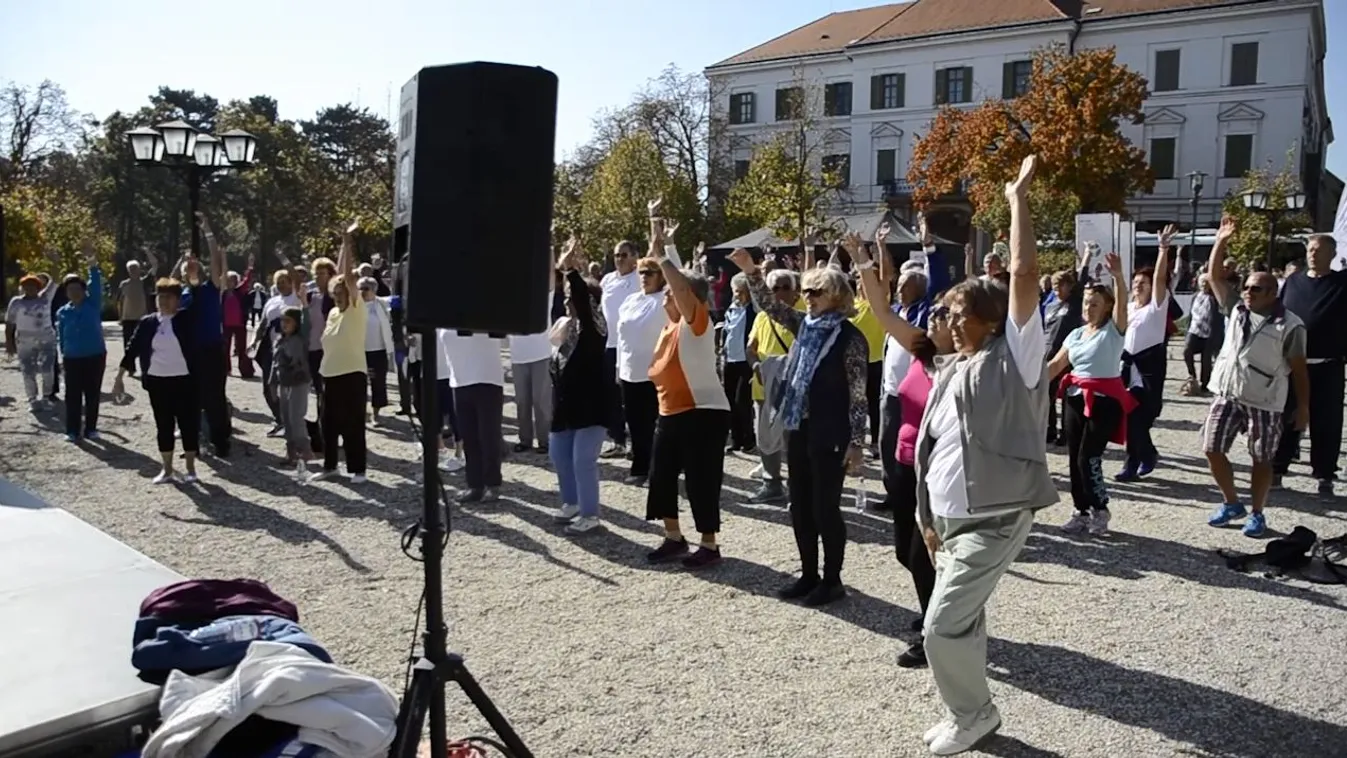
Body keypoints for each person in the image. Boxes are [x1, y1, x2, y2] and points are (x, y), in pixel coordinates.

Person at [915, 156, 1057, 755]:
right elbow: (934, 448)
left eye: (953, 311)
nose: (944, 317)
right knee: (963, 622)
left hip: (994, 519)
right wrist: (928, 519)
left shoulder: (1015, 357)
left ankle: (975, 714)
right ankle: (970, 712)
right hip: (952, 522)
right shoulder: (956, 368)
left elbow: (1023, 273)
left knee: (940, 629)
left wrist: (1016, 197)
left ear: (987, 318)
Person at [735, 236, 869, 605]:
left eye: (816, 292)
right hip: (799, 426)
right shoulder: (805, 326)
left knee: (826, 508)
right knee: (800, 505)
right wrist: (750, 271)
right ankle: (808, 573)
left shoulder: (850, 338)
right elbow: (770, 307)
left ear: (837, 296)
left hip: (831, 433)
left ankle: (833, 580)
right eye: (806, 290)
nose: (807, 297)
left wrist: (857, 443)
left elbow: (858, 396)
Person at [852, 230, 942, 644]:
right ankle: (934, 614)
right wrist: (864, 261)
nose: (941, 319)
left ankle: (937, 629)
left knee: (926, 552)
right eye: (938, 315)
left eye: (948, 316)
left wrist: (928, 249)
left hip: (934, 469)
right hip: (905, 462)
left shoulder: (955, 361)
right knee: (904, 551)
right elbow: (882, 309)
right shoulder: (921, 347)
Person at [1204, 216, 1310, 536]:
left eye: (1257, 288)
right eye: (1247, 286)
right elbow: (1213, 276)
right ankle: (1231, 502)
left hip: (1265, 400)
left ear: (1273, 294)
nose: (1248, 292)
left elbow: (1300, 371)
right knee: (1211, 447)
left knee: (1261, 458)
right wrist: (1221, 240)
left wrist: (1303, 407)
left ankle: (1257, 512)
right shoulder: (1236, 309)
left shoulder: (1289, 325)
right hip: (1228, 391)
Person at [643, 214, 731, 569]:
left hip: (704, 412)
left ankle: (709, 545)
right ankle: (674, 538)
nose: (666, 293)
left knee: (700, 480)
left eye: (672, 291)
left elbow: (681, 285)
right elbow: (679, 280)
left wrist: (665, 255)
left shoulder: (697, 322)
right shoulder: (670, 327)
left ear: (691, 300)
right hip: (670, 411)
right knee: (660, 477)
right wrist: (661, 241)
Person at [1047, 253, 1136, 536]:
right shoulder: (1075, 334)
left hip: (1104, 399)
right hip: (1075, 396)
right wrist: (1025, 383)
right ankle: (1080, 510)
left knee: (1089, 456)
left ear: (1107, 307)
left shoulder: (1114, 330)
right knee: (1073, 457)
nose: (1089, 307)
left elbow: (1123, 306)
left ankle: (1100, 508)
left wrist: (1119, 277)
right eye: (1086, 302)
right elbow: (1055, 366)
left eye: (1095, 303)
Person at [876, 219, 949, 514]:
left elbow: (940, 283)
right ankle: (893, 493)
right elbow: (882, 283)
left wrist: (928, 246)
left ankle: (918, 494)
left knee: (915, 445)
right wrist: (879, 248)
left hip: (916, 394)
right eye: (900, 284)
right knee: (885, 443)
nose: (900, 289)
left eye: (906, 285)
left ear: (919, 289)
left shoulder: (924, 310)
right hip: (889, 391)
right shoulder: (894, 310)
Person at [1274, 232, 1347, 498]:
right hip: (1293, 363)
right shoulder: (1293, 282)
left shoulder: (1342, 283)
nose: (1313, 254)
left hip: (1329, 365)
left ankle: (1325, 473)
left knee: (1326, 420)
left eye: (1319, 250)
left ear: (1332, 254)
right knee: (1287, 416)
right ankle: (1278, 468)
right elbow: (1278, 316)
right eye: (1310, 249)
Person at [549, 236, 613, 534]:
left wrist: (570, 270)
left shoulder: (595, 325)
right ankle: (571, 504)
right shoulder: (567, 327)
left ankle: (590, 514)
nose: (566, 300)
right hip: (566, 406)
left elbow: (585, 305)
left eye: (571, 296)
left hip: (591, 405)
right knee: (559, 456)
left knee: (582, 460)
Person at [113, 278, 201, 484]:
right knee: (164, 425)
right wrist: (119, 378)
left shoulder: (187, 318)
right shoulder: (147, 322)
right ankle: (167, 469)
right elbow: (131, 349)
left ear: (178, 300)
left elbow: (200, 298)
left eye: (168, 297)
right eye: (160, 297)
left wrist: (194, 279)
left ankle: (190, 469)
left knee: (188, 424)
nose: (163, 301)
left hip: (184, 380)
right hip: (157, 381)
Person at [309, 222, 370, 484]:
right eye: (334, 292)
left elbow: (344, 274)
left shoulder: (356, 308)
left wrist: (346, 242)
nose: (337, 295)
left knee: (353, 423)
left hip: (353, 373)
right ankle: (331, 466)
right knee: (328, 423)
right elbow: (337, 278)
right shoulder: (333, 313)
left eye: (341, 291)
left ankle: (358, 470)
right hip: (330, 374)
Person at [1116, 224, 1174, 481]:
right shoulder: (1129, 308)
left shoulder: (1156, 309)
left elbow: (1161, 279)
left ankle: (1146, 455)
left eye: (1144, 282)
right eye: (1136, 282)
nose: (1138, 285)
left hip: (1148, 370)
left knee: (1141, 418)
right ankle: (1134, 462)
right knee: (1128, 418)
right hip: (1126, 370)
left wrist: (1163, 248)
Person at [744, 269, 800, 504]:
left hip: (793, 389)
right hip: (763, 386)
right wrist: (756, 365)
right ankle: (772, 483)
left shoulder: (802, 316)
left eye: (785, 287)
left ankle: (798, 488)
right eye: (774, 288)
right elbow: (751, 348)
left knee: (793, 440)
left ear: (795, 291)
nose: (779, 293)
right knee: (765, 437)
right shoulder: (761, 317)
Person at [614, 252, 668, 486]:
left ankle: (658, 470)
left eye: (650, 272)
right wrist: (618, 367)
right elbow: (621, 337)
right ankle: (639, 467)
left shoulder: (665, 300)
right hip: (629, 372)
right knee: (635, 424)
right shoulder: (630, 300)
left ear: (661, 276)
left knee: (655, 424)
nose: (644, 277)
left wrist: (666, 245)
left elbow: (681, 280)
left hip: (654, 372)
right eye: (642, 272)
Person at [182, 214, 233, 457]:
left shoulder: (211, 289)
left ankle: (221, 442)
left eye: (193, 267)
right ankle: (195, 443)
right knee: (191, 399)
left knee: (215, 399)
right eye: (186, 269)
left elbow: (215, 262)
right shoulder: (181, 295)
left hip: (212, 350)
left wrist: (208, 232)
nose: (190, 271)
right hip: (189, 353)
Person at [441, 328, 506, 503]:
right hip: (459, 381)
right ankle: (475, 485)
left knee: (488, 436)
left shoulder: (484, 307)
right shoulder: (443, 317)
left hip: (487, 380)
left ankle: (493, 484)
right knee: (468, 437)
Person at [55, 242, 108, 442]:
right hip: (72, 358)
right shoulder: (62, 312)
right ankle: (72, 430)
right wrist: (62, 356)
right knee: (72, 396)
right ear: (66, 292)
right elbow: (61, 336)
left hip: (95, 356)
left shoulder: (92, 303)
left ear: (84, 291)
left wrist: (91, 261)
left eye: (78, 288)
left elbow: (95, 281)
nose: (74, 292)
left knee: (92, 394)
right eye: (70, 289)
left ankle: (91, 428)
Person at [598, 239, 642, 458]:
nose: (620, 259)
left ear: (635, 257)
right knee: (611, 396)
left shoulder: (640, 278)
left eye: (624, 255)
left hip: (632, 345)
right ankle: (618, 440)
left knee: (631, 397)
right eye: (617, 255)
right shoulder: (607, 280)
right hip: (610, 345)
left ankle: (637, 443)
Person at [508, 284, 555, 454]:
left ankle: (545, 440)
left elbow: (550, 275)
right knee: (522, 401)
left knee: (541, 400)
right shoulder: (508, 299)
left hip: (540, 354)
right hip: (518, 356)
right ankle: (525, 439)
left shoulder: (542, 295)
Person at [274, 289, 315, 475]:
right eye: (282, 321)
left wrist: (304, 303)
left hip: (298, 382)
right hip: (284, 383)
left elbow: (307, 322)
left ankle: (305, 451)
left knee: (296, 417)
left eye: (288, 321)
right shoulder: (280, 341)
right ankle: (291, 453)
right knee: (285, 419)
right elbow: (275, 365)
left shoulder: (301, 338)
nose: (284, 324)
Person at [6, 272, 59, 409]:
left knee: (47, 369)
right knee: (28, 371)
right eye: (26, 286)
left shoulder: (45, 298)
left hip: (46, 339)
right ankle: (32, 399)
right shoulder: (16, 302)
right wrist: (9, 343)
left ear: (38, 287)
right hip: (24, 341)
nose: (29, 289)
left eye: (33, 286)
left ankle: (47, 396)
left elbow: (56, 280)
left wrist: (55, 262)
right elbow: (10, 323)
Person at [721, 273, 758, 453]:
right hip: (730, 360)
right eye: (736, 292)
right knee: (729, 401)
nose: (739, 295)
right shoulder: (731, 309)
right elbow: (727, 331)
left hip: (746, 361)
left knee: (741, 401)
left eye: (742, 292)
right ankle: (736, 439)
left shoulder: (753, 310)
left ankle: (748, 439)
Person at [358, 277, 395, 423]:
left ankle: (376, 413)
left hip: (378, 350)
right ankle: (360, 412)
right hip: (358, 351)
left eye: (365, 288)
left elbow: (398, 301)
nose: (362, 292)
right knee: (359, 384)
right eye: (359, 288)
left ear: (373, 290)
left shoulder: (381, 304)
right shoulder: (354, 305)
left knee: (378, 383)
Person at [1182, 273, 1224, 396]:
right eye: (1202, 282)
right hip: (1194, 330)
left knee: (1206, 359)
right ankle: (1192, 375)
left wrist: (1217, 335)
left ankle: (1205, 384)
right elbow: (1191, 314)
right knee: (1187, 351)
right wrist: (1187, 330)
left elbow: (1218, 317)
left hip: (1209, 332)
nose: (1204, 285)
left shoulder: (1214, 298)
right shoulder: (1195, 296)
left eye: (1206, 282)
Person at [220, 260, 256, 379]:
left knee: (241, 348)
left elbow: (247, 280)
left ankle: (246, 371)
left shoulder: (239, 291)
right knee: (225, 348)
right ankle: (226, 369)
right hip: (226, 324)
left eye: (233, 280)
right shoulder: (222, 293)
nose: (231, 282)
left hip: (239, 323)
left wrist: (250, 267)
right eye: (229, 280)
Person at [117, 259, 153, 368]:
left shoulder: (144, 282)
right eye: (130, 269)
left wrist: (147, 252)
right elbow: (120, 301)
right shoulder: (124, 284)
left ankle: (145, 367)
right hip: (127, 318)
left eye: (135, 268)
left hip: (142, 318)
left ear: (139, 269)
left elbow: (155, 266)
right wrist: (120, 317)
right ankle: (130, 367)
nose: (133, 271)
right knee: (128, 345)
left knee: (144, 344)